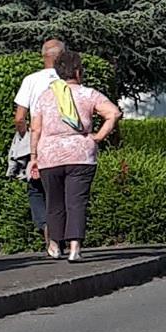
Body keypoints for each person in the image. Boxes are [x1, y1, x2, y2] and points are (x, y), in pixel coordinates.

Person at [28, 51, 121, 262]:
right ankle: (74, 249)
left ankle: (54, 246)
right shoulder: (89, 94)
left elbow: (36, 129)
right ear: (78, 72)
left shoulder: (45, 96)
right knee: (76, 202)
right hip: (81, 154)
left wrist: (34, 156)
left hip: (49, 155)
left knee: (53, 202)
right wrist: (98, 136)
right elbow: (113, 113)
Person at [12, 39, 66, 247]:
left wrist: (24, 136)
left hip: (39, 139)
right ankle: (63, 234)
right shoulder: (69, 79)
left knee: (36, 187)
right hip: (66, 140)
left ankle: (45, 225)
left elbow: (19, 117)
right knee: (62, 187)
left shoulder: (31, 80)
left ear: (43, 56)